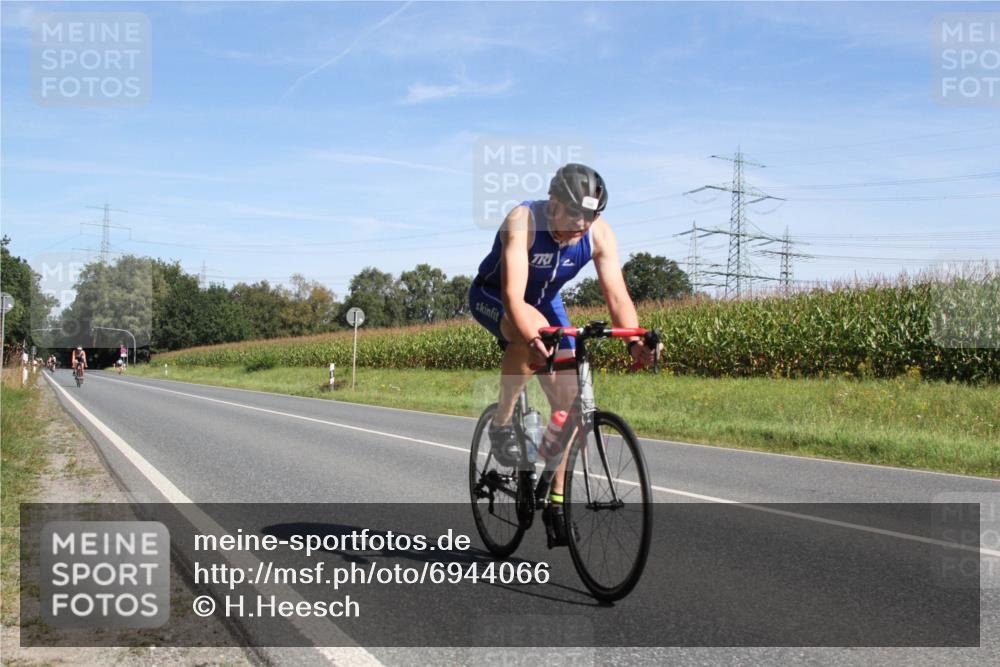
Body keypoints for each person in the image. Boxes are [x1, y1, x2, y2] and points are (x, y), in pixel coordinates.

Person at [468, 163, 661, 545]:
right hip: (495, 295)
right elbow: (513, 297)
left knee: (570, 402)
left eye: (590, 215)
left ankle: (556, 500)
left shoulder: (599, 234)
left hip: (546, 301)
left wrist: (634, 341)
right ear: (552, 202)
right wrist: (533, 337)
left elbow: (617, 296)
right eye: (574, 213)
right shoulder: (523, 220)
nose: (581, 224)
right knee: (531, 340)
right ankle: (503, 423)